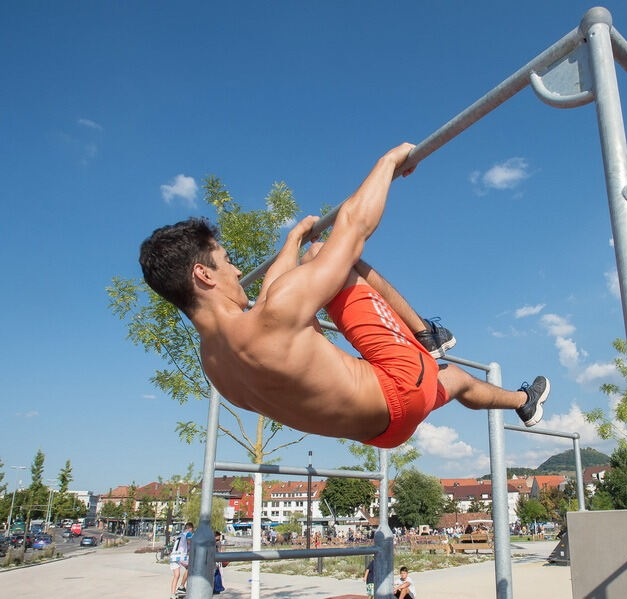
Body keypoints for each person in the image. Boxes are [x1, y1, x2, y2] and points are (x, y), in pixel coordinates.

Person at [139, 143, 549, 449]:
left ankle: (522, 402)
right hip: (401, 385)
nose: (238, 271)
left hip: (383, 434)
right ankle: (428, 335)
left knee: (455, 380)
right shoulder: (274, 315)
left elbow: (268, 300)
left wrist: (293, 240)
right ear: (203, 274)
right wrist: (390, 162)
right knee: (325, 254)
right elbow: (353, 228)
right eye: (226, 262)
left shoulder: (215, 367)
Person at [169, 522, 194, 598]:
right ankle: (182, 586)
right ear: (190, 528)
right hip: (181, 556)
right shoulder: (188, 534)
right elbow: (190, 542)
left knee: (176, 575)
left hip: (173, 556)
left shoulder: (179, 535)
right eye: (192, 530)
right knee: (190, 567)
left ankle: (172, 594)